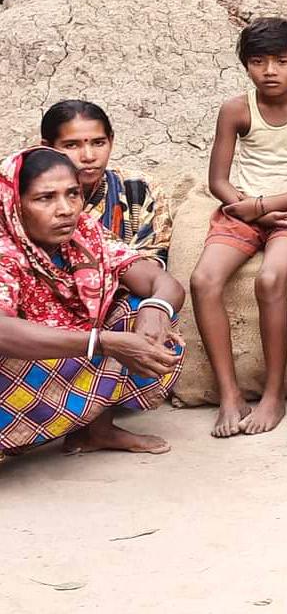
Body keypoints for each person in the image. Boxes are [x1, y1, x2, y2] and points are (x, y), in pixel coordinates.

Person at [190, 18, 287, 438]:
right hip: (242, 211)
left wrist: (266, 208)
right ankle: (229, 392)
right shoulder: (236, 110)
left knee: (270, 279)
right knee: (202, 280)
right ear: (245, 66)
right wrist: (249, 208)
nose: (270, 71)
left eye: (281, 61)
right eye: (258, 61)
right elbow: (218, 179)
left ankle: (274, 394)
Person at [0, 148, 185, 456]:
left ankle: (97, 432)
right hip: (11, 367)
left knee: (137, 309)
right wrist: (103, 342)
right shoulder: (4, 249)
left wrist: (156, 310)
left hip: (55, 357)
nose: (65, 209)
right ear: (14, 203)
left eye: (73, 194)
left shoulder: (85, 233)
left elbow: (161, 282)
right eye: (45, 198)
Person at [41, 100, 173, 265]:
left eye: (98, 143)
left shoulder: (138, 189)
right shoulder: (27, 199)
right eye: (72, 145)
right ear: (48, 147)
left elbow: (154, 258)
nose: (89, 156)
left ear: (111, 140)